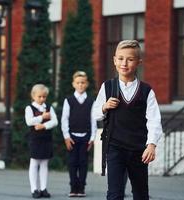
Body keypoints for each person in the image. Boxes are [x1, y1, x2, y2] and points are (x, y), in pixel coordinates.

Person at [93, 40, 162, 200]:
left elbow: (154, 120)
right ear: (115, 60)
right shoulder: (108, 87)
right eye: (121, 58)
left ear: (138, 62)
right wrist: (104, 107)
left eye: (130, 59)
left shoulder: (146, 91)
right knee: (115, 194)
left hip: (139, 150)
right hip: (114, 147)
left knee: (140, 194)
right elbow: (95, 113)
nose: (124, 63)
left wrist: (151, 145)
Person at [61, 71, 97, 197]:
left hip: (85, 137)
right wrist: (66, 136)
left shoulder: (91, 101)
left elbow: (93, 120)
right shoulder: (69, 101)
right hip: (72, 137)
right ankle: (73, 187)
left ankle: (81, 188)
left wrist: (92, 138)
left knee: (83, 163)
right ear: (73, 84)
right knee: (72, 163)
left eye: (83, 83)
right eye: (78, 83)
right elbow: (64, 119)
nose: (80, 85)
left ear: (86, 84)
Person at [25, 84, 58, 199]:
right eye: (39, 96)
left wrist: (43, 126)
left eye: (44, 97)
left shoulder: (49, 107)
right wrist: (42, 117)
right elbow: (29, 121)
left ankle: (43, 188)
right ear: (33, 96)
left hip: (46, 138)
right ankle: (34, 189)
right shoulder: (29, 108)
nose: (42, 99)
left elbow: (55, 122)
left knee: (44, 163)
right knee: (34, 163)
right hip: (35, 139)